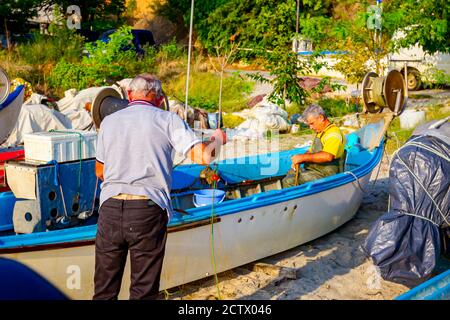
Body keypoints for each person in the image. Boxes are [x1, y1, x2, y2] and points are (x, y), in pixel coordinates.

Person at [93, 74, 227, 300]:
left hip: (110, 209)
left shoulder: (109, 122)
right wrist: (218, 140)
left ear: (129, 95)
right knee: (143, 290)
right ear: (158, 97)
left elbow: (100, 172)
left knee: (104, 289)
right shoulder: (167, 120)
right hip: (146, 209)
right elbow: (203, 156)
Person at [282, 104, 345, 187]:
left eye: (312, 123)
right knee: (290, 173)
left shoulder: (333, 134)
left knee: (289, 181)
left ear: (321, 118)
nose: (311, 127)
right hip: (315, 170)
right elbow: (311, 151)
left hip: (327, 175)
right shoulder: (320, 132)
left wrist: (303, 157)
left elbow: (328, 156)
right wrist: (300, 159)